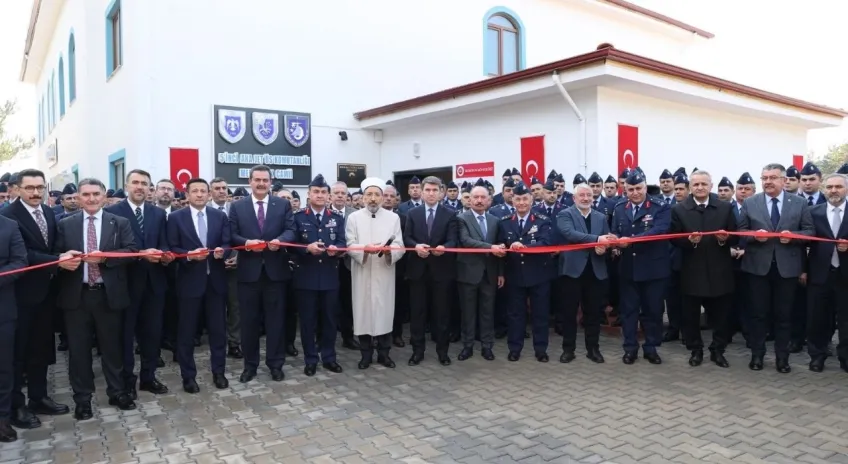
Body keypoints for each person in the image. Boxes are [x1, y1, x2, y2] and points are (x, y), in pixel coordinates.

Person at [55, 178, 138, 419]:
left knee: (112, 348)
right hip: (76, 296)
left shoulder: (119, 222)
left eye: (96, 194)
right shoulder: (65, 224)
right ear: (78, 198)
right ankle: (82, 399)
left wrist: (105, 258)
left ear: (103, 196)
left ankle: (117, 392)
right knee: (79, 352)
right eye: (86, 194)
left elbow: (132, 251)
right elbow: (55, 254)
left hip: (108, 295)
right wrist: (63, 259)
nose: (91, 199)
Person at [0, 169, 70, 429]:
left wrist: (62, 256)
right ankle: (17, 406)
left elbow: (51, 247)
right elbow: (24, 255)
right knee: (18, 353)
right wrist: (57, 261)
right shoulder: (8, 217)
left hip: (47, 292)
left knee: (42, 348)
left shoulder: (49, 212)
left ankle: (39, 398)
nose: (35, 192)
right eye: (29, 187)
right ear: (16, 189)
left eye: (40, 187)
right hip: (19, 295)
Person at [738, 163, 814, 373]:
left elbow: (809, 231)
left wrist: (794, 237)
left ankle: (782, 358)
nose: (768, 182)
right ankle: (757, 356)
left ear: (784, 180)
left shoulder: (798, 203)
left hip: (787, 269)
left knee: (783, 316)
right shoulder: (751, 202)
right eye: (764, 178)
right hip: (757, 268)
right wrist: (754, 236)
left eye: (772, 177)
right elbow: (741, 231)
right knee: (758, 315)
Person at [106, 169, 171, 399]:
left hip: (154, 283)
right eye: (135, 182)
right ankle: (126, 381)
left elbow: (164, 243)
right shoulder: (112, 212)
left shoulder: (157, 213)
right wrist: (141, 254)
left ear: (150, 188)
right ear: (127, 186)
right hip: (126, 283)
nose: (140, 187)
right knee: (125, 335)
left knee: (152, 334)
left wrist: (164, 254)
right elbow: (111, 250)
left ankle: (148, 377)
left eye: (144, 183)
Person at [229, 165, 296, 383]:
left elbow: (291, 229)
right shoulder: (237, 207)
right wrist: (246, 244)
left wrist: (281, 240)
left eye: (265, 180)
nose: (260, 183)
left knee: (276, 321)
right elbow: (231, 234)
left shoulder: (282, 204)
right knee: (249, 323)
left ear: (270, 182)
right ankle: (250, 365)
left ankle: (276, 364)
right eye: (257, 180)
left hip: (275, 272)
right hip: (248, 274)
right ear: (250, 182)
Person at [668, 170, 738, 368]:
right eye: (696, 184)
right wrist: (688, 241)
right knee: (690, 316)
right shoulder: (679, 209)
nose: (700, 187)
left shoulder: (725, 208)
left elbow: (736, 234)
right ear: (690, 187)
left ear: (711, 185)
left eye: (703, 184)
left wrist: (726, 239)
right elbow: (673, 238)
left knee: (722, 315)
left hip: (720, 270)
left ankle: (718, 350)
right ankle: (695, 350)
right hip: (691, 270)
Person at [167, 178, 230, 392]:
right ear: (187, 194)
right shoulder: (176, 218)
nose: (200, 195)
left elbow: (227, 242)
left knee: (218, 331)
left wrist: (224, 251)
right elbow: (172, 248)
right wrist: (188, 256)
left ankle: (218, 372)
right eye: (195, 191)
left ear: (210, 194)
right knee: (186, 332)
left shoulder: (219, 216)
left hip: (216, 282)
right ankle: (188, 376)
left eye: (204, 191)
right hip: (189, 282)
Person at [611, 170, 671, 365]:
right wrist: (612, 241)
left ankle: (651, 347)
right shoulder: (620, 207)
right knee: (629, 311)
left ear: (645, 187)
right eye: (631, 189)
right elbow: (615, 231)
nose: (635, 192)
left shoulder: (659, 207)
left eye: (638, 188)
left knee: (653, 311)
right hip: (629, 269)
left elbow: (659, 230)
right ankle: (630, 348)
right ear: (625, 190)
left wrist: (631, 240)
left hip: (653, 269)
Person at [345, 178, 405, 369]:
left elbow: (400, 245)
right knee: (363, 314)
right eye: (369, 194)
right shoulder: (353, 218)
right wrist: (364, 249)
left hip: (384, 272)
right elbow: (350, 243)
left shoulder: (393, 218)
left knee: (384, 313)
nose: (373, 198)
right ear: (363, 197)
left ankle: (384, 354)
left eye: (376, 195)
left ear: (383, 198)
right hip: (362, 271)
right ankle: (365, 355)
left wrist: (389, 252)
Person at [292, 175, 346, 376]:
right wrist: (306, 249)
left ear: (328, 195)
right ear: (309, 194)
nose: (320, 195)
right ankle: (311, 359)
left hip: (330, 278)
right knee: (308, 321)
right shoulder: (298, 218)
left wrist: (336, 249)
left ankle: (329, 357)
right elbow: (291, 244)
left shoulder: (336, 218)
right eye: (316, 191)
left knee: (330, 320)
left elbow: (342, 241)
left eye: (324, 192)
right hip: (306, 278)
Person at [403, 176, 458, 366]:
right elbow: (406, 238)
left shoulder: (450, 214)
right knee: (418, 314)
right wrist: (415, 246)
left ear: (441, 192)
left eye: (435, 190)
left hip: (441, 271)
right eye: (428, 190)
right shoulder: (413, 213)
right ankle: (417, 351)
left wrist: (444, 248)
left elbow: (453, 240)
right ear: (422, 191)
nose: (431, 193)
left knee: (441, 314)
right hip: (417, 271)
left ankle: (443, 352)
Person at [497, 182, 554, 362]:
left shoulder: (542, 220)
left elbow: (546, 244)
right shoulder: (504, 222)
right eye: (518, 199)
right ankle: (515, 348)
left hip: (539, 275)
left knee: (540, 314)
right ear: (512, 200)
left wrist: (523, 247)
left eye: (525, 199)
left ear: (531, 200)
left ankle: (541, 349)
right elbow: (500, 249)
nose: (521, 202)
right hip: (514, 275)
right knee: (515, 315)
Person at [556, 183, 611, 364]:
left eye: (589, 195)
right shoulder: (565, 214)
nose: (586, 198)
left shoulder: (601, 217)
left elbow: (605, 240)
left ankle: (593, 349)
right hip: (572, 272)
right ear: (574, 198)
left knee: (593, 313)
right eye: (582, 195)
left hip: (595, 271)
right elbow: (570, 234)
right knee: (569, 313)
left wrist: (604, 248)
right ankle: (568, 349)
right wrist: (596, 240)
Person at [805, 173, 848, 373]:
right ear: (824, 189)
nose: (834, 191)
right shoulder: (814, 212)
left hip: (845, 275)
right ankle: (817, 356)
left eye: (838, 187)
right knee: (817, 318)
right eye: (830, 187)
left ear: (845, 188)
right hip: (820, 273)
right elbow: (805, 243)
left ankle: (845, 358)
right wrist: (803, 270)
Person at [456, 184, 504, 361]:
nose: (479, 200)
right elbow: (466, 241)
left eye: (483, 197)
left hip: (490, 274)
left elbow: (500, 249)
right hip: (468, 274)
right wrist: (491, 247)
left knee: (487, 312)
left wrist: (500, 273)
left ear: (489, 200)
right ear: (469, 200)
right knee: (468, 313)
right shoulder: (462, 218)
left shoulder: (494, 220)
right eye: (475, 197)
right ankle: (467, 346)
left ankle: (487, 346)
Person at [0, 214, 28, 441]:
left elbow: (20, 261)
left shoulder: (9, 226)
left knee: (4, 368)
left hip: (3, 309)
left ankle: (3, 419)